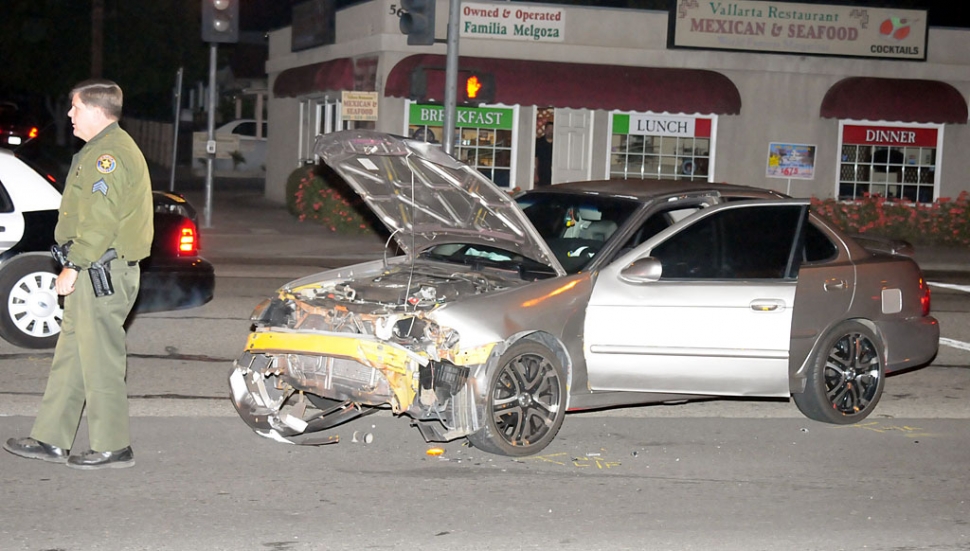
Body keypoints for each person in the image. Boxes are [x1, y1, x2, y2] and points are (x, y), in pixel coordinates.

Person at [3, 79, 153, 470]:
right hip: (92, 266)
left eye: (74, 107)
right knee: (71, 355)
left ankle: (113, 445)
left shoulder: (111, 156)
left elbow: (101, 221)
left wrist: (74, 265)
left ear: (96, 110)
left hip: (101, 269)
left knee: (101, 356)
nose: (69, 114)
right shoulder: (99, 150)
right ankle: (51, 438)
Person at [534, 121, 553, 187]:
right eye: (548, 129)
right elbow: (535, 158)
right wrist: (535, 173)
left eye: (552, 129)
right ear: (545, 130)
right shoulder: (539, 142)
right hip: (542, 172)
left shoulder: (557, 142)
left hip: (554, 173)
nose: (550, 131)